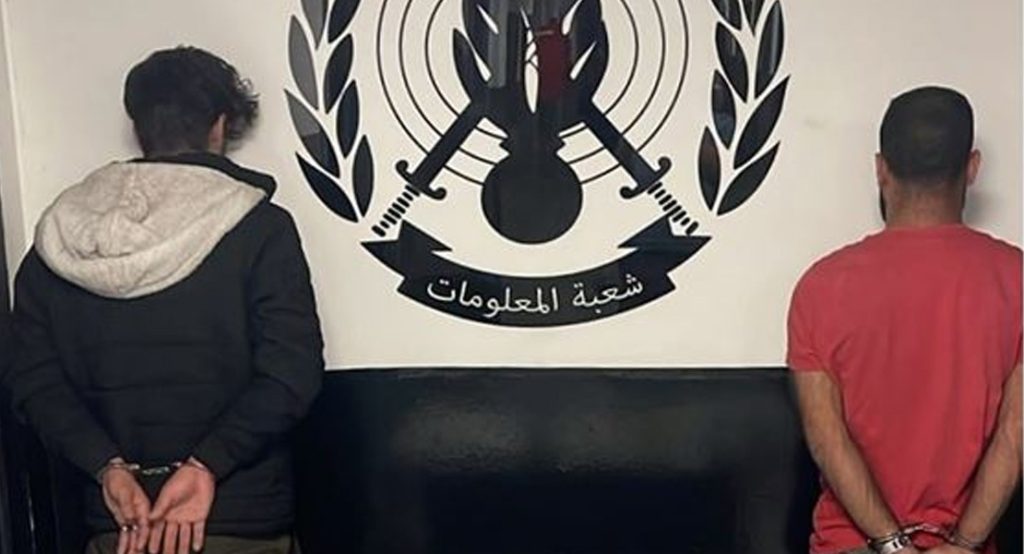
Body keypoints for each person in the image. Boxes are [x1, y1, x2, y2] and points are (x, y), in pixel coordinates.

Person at [2, 46, 324, 554]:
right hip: (238, 521)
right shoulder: (261, 228)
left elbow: (33, 383)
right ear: (220, 126)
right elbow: (292, 372)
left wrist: (107, 468)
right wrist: (206, 464)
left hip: (120, 528)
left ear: (138, 128)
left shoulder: (59, 238)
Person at [787, 86, 1022, 554]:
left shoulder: (821, 285)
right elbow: (1016, 433)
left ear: (881, 169)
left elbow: (826, 439)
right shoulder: (1017, 278)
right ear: (972, 168)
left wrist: (893, 546)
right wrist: (964, 544)